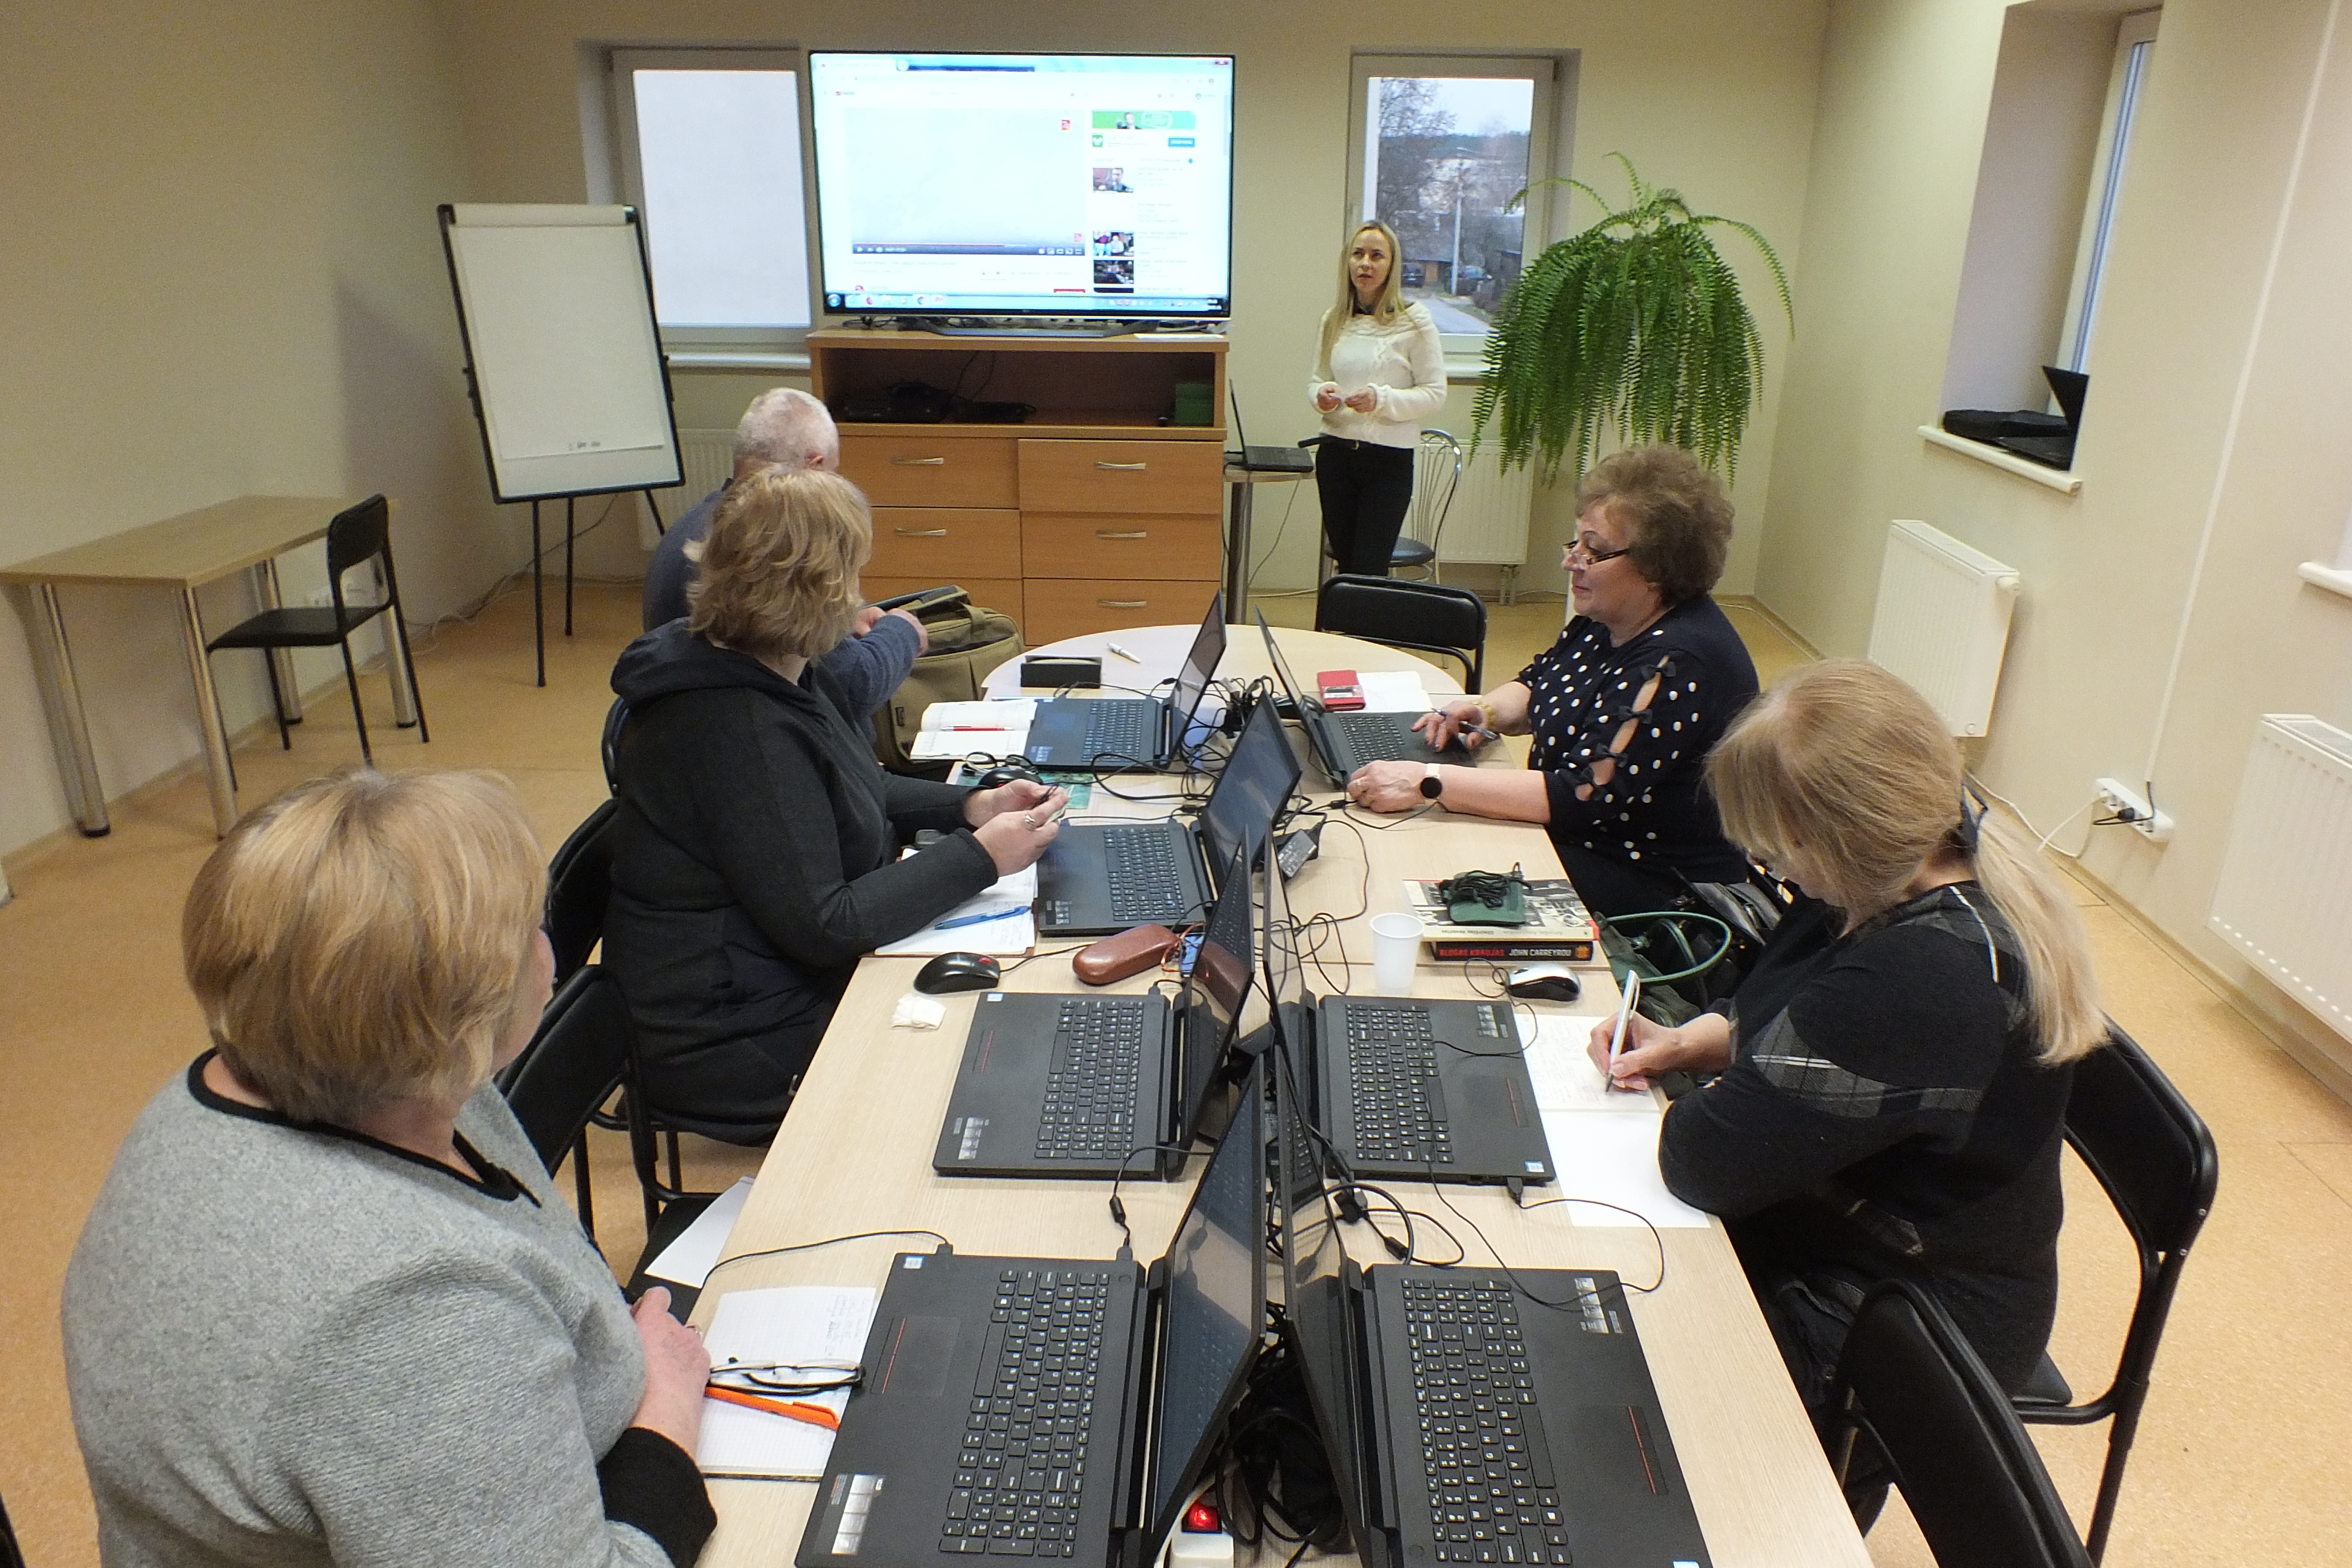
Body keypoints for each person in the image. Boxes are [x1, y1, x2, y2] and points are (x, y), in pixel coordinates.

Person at [62, 768, 716, 1568]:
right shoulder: (409, 1311)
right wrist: (665, 1423)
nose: (550, 949)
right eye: (531, 929)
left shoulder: (325, 1075)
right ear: (462, 1009)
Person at [1592, 660, 2104, 1468]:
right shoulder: (1902, 875)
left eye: (1777, 843)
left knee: (1616, 1361)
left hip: (1907, 1323)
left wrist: (1715, 1090)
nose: (1768, 863)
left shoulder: (1922, 974)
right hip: (1881, 1242)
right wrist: (1694, 1042)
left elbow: (1702, 1160)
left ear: (1840, 836)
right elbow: (1784, 1006)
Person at [608, 465, 1064, 1143]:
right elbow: (827, 922)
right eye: (849, 577)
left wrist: (973, 806)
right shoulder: (737, 729)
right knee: (987, 1061)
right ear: (813, 593)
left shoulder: (770, 663)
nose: (860, 597)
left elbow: (852, 786)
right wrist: (981, 857)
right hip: (732, 1035)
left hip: (770, 975)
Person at [1345, 445, 1760, 918]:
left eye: (1594, 550)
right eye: (1576, 543)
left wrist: (1429, 781)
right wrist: (1485, 711)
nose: (1571, 561)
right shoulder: (1609, 616)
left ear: (1656, 568)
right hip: (1581, 839)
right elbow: (1540, 680)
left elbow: (1581, 795)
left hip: (1650, 882)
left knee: (1428, 862)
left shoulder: (1678, 662)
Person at [643, 386, 926, 721]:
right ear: (815, 468)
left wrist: (841, 621)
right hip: (759, 725)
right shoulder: (774, 547)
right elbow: (853, 687)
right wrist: (902, 631)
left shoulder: (697, 529)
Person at [1309, 219, 1446, 575]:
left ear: (1392, 265)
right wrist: (1320, 395)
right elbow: (1318, 378)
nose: (1365, 264)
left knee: (1370, 569)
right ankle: (1340, 615)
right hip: (1336, 456)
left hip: (1388, 462)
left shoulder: (1414, 320)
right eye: (1358, 254)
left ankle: (1367, 615)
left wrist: (1380, 399)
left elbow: (1435, 394)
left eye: (1376, 256)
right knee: (1347, 567)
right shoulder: (1333, 319)